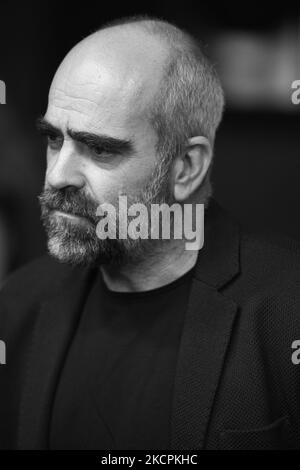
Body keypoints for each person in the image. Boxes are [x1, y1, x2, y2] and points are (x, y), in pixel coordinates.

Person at [0, 16, 300, 451]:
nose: (59, 175)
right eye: (52, 139)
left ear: (187, 167)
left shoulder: (286, 312)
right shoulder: (19, 305)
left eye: (100, 149)